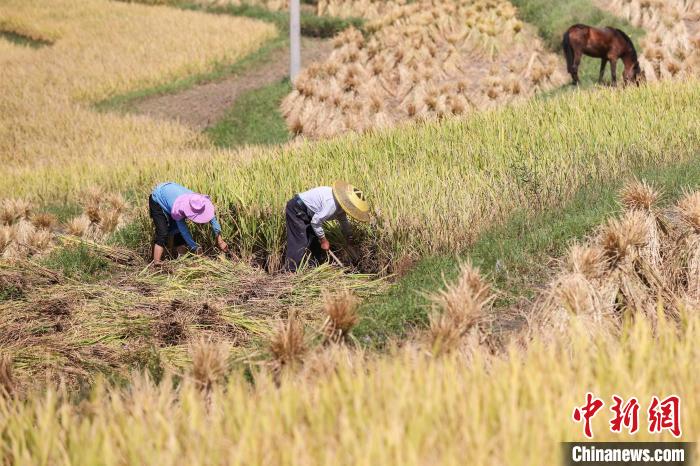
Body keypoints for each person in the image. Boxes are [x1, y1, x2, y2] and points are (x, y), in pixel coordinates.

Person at [285, 180, 369, 272]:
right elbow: (316, 221)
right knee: (300, 241)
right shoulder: (332, 204)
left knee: (313, 241)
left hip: (308, 213)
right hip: (297, 209)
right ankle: (291, 271)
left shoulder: (341, 205)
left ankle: (313, 268)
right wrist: (323, 240)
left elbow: (343, 221)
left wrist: (349, 237)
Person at [149, 182, 228, 265]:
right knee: (163, 232)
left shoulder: (200, 202)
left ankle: (181, 260)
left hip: (172, 196)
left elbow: (213, 219)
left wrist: (220, 241)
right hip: (158, 199)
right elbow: (184, 231)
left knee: (177, 231)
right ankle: (156, 264)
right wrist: (195, 248)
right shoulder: (178, 209)